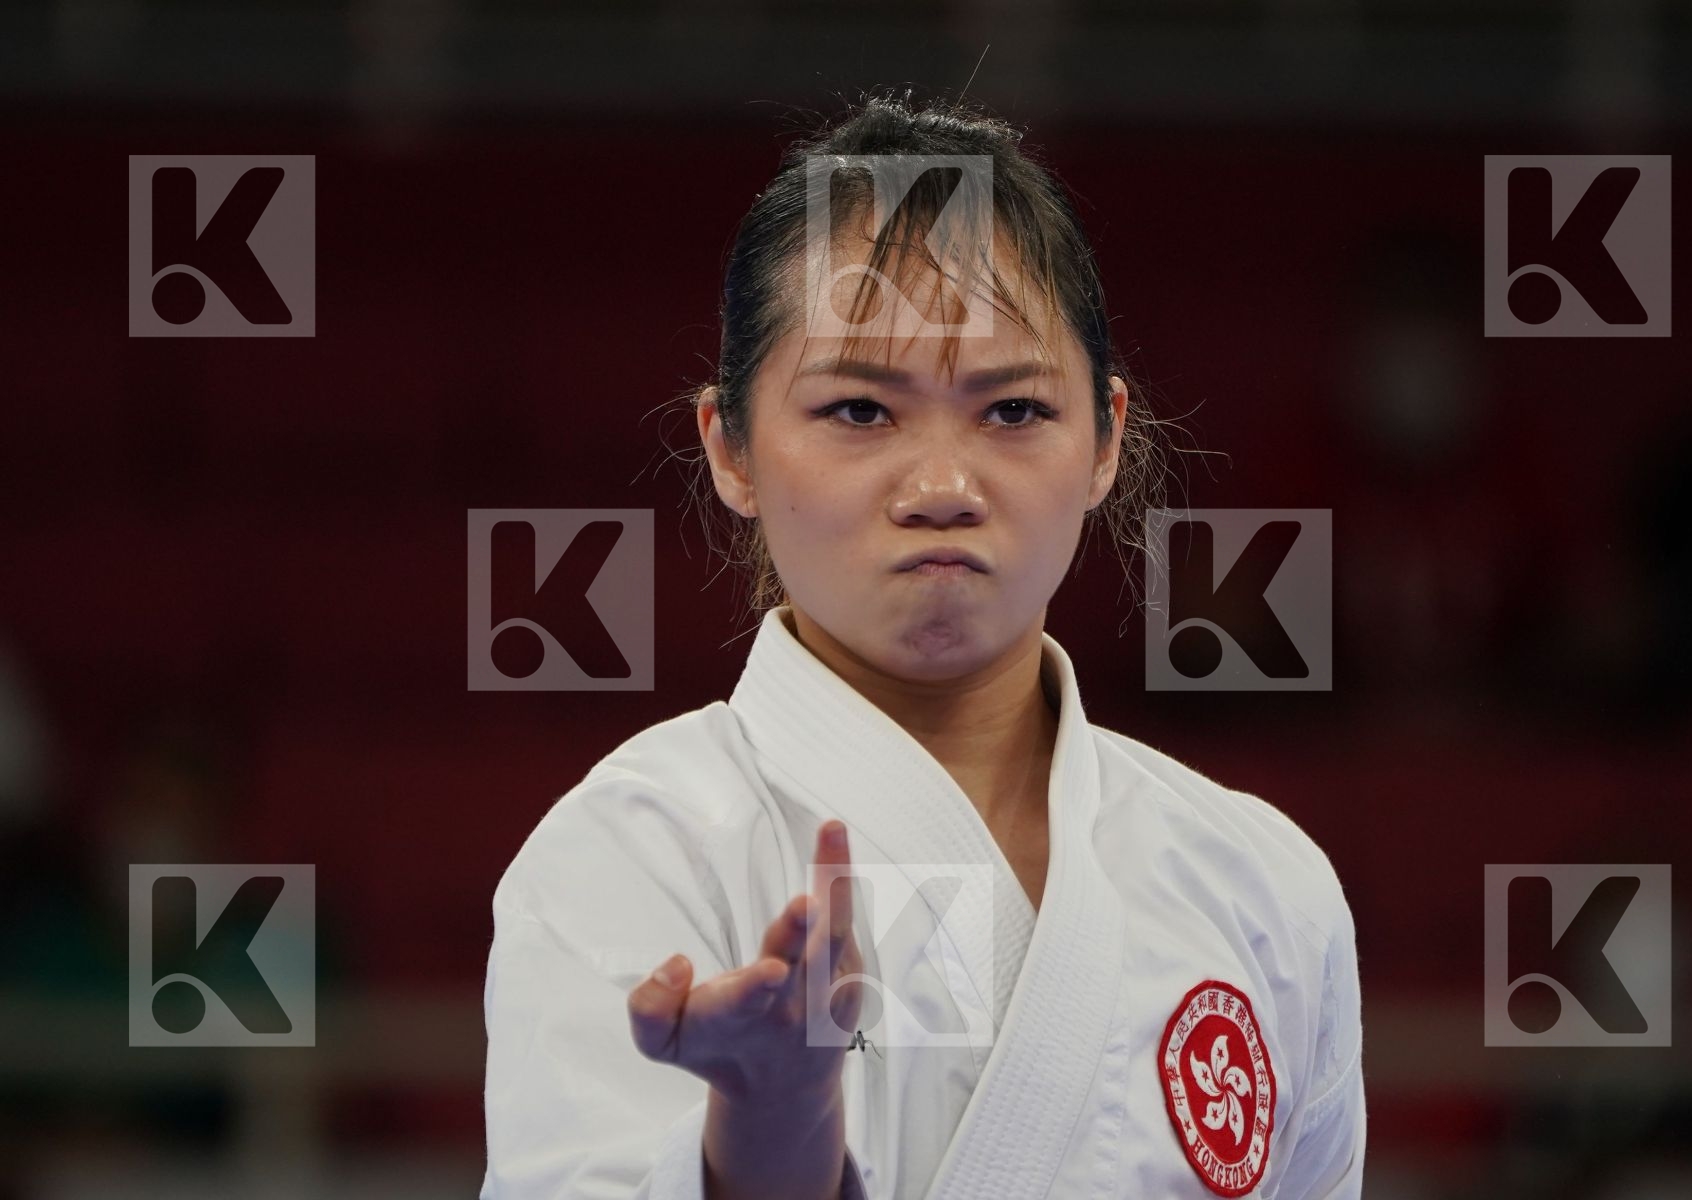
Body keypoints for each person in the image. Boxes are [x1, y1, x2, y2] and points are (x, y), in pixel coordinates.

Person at [481, 89, 1364, 1200]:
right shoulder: (632, 852)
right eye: (858, 410)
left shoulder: (1260, 885)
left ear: (1106, 439)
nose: (943, 487)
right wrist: (767, 1129)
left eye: (1013, 413)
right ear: (732, 447)